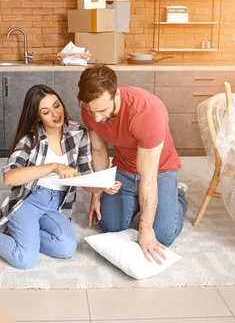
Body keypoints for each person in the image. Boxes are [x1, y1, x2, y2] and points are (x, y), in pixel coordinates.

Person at [0, 84, 120, 270]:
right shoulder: (29, 139)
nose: (56, 114)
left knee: (66, 248)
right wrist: (53, 167)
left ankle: (10, 229)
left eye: (57, 105)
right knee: (25, 259)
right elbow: (9, 177)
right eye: (46, 112)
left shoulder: (78, 133)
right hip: (29, 201)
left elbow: (85, 178)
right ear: (37, 116)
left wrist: (102, 186)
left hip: (56, 206)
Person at [77, 65, 187, 265]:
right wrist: (98, 191)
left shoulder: (147, 111)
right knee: (109, 226)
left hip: (159, 171)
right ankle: (140, 200)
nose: (97, 118)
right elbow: (99, 151)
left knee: (162, 236)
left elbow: (149, 175)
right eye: (90, 110)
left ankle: (177, 195)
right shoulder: (91, 109)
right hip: (124, 169)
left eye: (102, 110)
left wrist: (145, 227)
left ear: (115, 94)